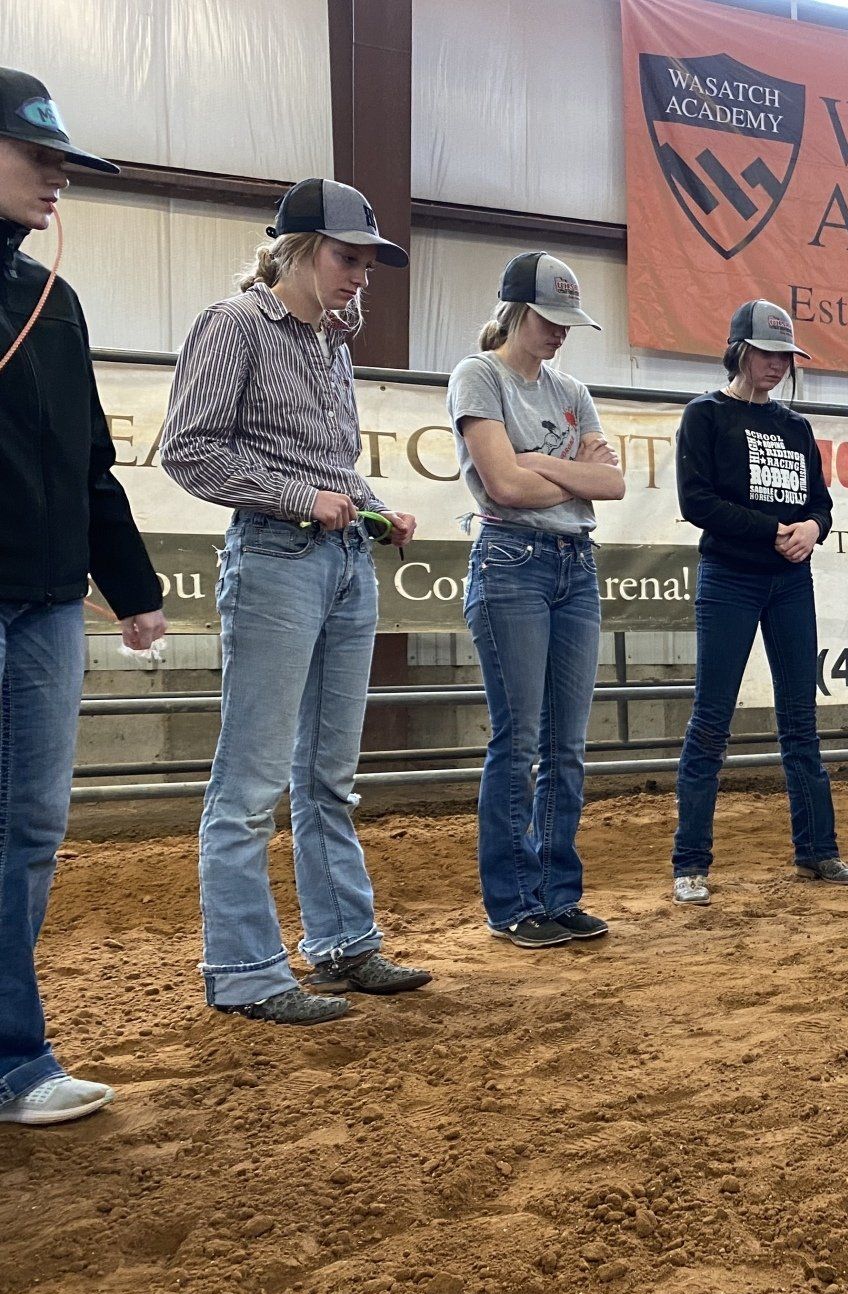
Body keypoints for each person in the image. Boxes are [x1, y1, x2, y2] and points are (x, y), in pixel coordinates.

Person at [159, 178, 432, 1025]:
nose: (361, 276)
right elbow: (189, 450)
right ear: (299, 252)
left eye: (367, 264)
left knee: (327, 776)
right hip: (278, 558)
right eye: (348, 258)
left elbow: (331, 465)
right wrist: (297, 498)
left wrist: (373, 504)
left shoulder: (331, 343)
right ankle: (244, 970)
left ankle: (344, 944)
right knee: (250, 781)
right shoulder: (234, 324)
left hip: (344, 560)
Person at [0, 69, 168, 1124]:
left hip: (49, 601)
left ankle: (12, 1057)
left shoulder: (53, 302)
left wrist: (134, 588)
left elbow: (90, 463)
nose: (57, 178)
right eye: (38, 156)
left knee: (30, 823)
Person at [450, 252, 624, 947]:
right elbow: (504, 487)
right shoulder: (478, 375)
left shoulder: (571, 389)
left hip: (572, 563)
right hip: (511, 561)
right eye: (550, 319)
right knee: (520, 740)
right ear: (517, 311)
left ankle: (556, 894)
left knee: (565, 746)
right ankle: (514, 902)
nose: (559, 332)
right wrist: (574, 472)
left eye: (566, 322)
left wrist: (541, 463)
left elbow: (611, 486)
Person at [670, 299, 848, 904]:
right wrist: (773, 530)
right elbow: (696, 502)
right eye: (767, 352)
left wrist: (812, 528)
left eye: (785, 355)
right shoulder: (705, 415)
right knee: (712, 720)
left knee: (800, 719)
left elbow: (821, 504)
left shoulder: (795, 427)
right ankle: (690, 863)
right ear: (739, 350)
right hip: (731, 577)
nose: (778, 364)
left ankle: (818, 851)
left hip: (789, 582)